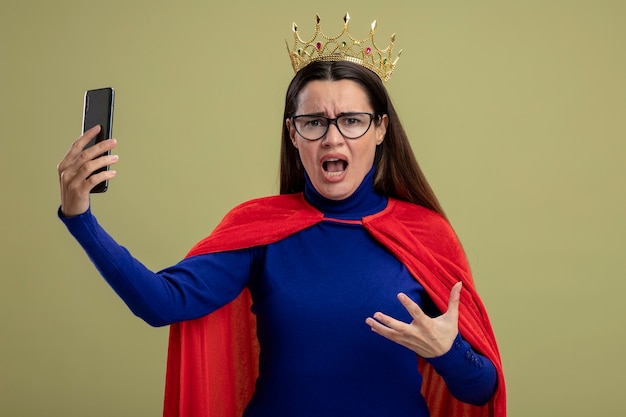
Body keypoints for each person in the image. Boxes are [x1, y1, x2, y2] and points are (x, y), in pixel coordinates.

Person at [58, 14, 505, 417]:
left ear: (381, 128)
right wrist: (81, 218)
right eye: (314, 122)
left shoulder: (425, 234)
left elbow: (481, 389)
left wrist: (448, 353)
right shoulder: (259, 228)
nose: (333, 138)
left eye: (352, 120)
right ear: (293, 134)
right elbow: (161, 303)